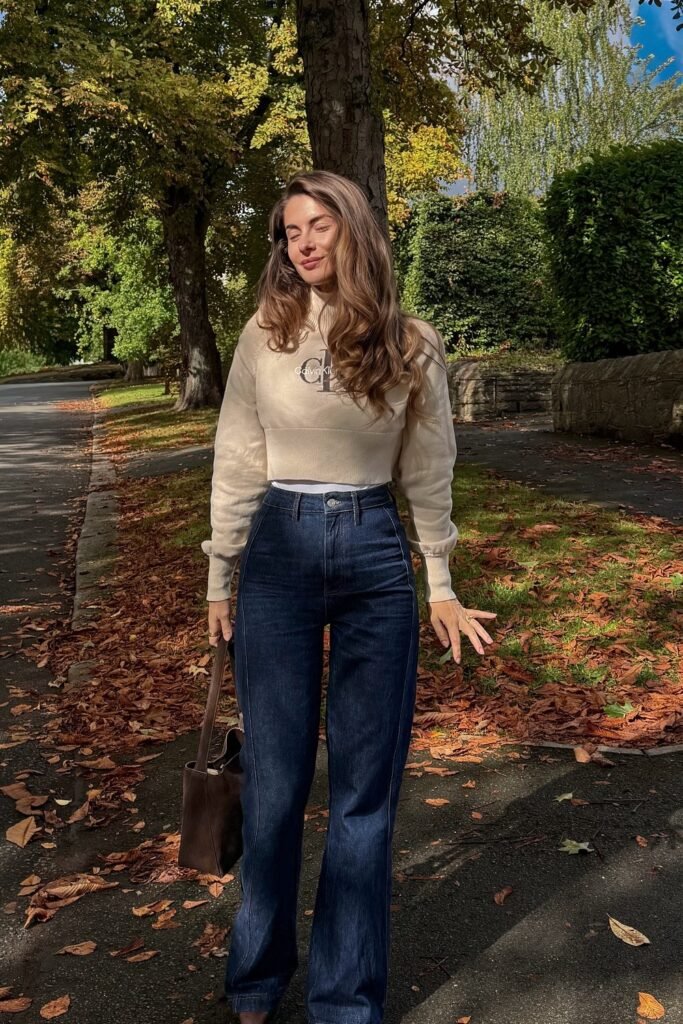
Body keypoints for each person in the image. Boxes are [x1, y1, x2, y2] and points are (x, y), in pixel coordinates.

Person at [202, 170, 497, 1024]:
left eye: (318, 224)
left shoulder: (411, 342)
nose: (301, 242)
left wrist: (438, 581)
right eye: (289, 229)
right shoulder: (263, 333)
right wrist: (220, 574)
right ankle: (256, 976)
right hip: (279, 554)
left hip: (373, 552)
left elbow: (428, 469)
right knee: (275, 783)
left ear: (353, 231)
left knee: (366, 791)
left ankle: (343, 996)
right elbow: (237, 456)